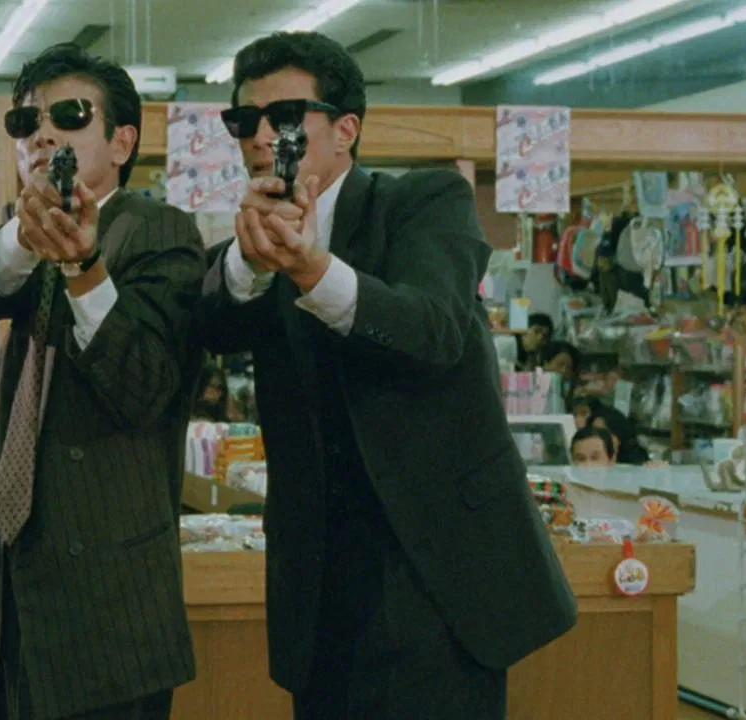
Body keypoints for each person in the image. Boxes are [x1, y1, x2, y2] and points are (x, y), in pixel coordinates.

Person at [198, 31, 576, 719]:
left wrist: (312, 268)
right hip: (318, 582)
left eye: (285, 117)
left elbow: (432, 329)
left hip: (436, 574)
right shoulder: (254, 240)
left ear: (346, 130)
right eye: (244, 120)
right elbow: (207, 328)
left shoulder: (425, 203)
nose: (262, 137)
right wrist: (249, 262)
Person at [0, 43, 204, 720]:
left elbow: (144, 384)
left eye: (71, 116)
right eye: (26, 123)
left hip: (108, 596)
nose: (42, 134)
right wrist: (24, 238)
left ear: (122, 141)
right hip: (13, 585)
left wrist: (86, 267)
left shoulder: (158, 231)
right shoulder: (26, 233)